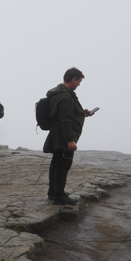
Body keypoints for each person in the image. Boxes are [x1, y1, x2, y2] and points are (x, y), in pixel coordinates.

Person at [44, 67, 93, 205]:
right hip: (63, 137)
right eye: (79, 81)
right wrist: (70, 141)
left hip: (56, 134)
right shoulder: (66, 96)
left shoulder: (58, 92)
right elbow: (65, 119)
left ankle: (53, 192)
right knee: (62, 166)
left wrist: (81, 112)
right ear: (73, 79)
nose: (79, 84)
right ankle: (59, 196)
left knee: (56, 164)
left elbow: (62, 113)